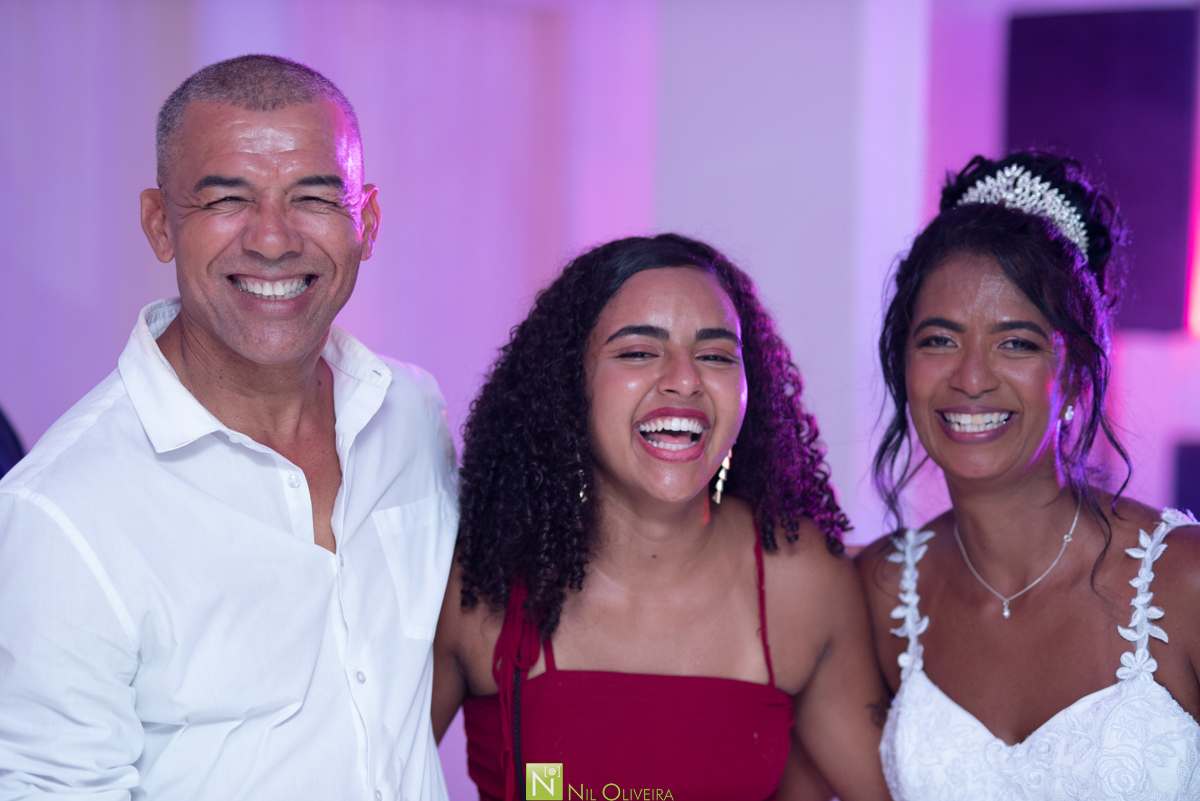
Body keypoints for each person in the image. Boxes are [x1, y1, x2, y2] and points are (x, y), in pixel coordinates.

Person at [0, 55, 458, 800]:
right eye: (227, 200)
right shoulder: (60, 514)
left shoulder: (411, 416)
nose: (273, 240)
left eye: (313, 197)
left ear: (365, 222)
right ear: (160, 223)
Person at [432, 234, 891, 801]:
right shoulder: (480, 579)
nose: (684, 379)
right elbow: (362, 773)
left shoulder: (803, 581)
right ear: (569, 386)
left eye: (716, 356)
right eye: (637, 352)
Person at [857, 152, 1200, 798]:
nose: (971, 376)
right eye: (938, 340)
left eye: (1015, 341)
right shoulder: (878, 595)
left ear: (1071, 372)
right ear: (904, 365)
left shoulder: (1185, 581)